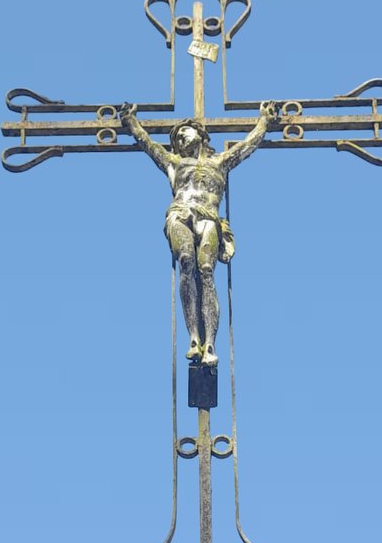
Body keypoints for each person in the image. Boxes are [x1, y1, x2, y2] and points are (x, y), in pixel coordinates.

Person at [118, 101, 279, 365]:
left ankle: (210, 344)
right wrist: (131, 121)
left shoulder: (220, 162)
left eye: (184, 131)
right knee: (186, 262)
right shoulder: (174, 163)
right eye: (177, 137)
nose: (180, 136)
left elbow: (248, 145)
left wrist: (264, 121)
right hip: (181, 213)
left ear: (201, 134)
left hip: (209, 217)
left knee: (206, 271)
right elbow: (148, 144)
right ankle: (193, 336)